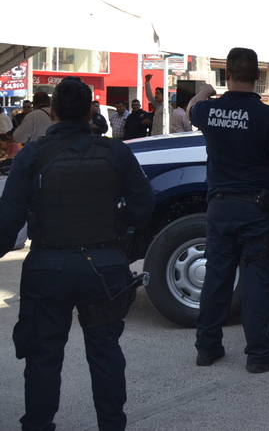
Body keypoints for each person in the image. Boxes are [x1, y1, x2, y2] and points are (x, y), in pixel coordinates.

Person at [0, 76, 155, 431]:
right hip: (103, 266)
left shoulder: (32, 155)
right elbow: (144, 206)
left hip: (47, 266)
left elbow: (8, 219)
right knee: (105, 352)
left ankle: (38, 425)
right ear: (90, 113)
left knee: (43, 355)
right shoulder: (116, 152)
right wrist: (117, 235)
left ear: (52, 113)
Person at [188, 47, 269, 373]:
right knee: (258, 278)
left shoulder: (208, 111)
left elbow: (191, 107)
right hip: (256, 211)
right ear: (257, 76)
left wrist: (206, 90)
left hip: (219, 208)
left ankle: (207, 347)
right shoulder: (268, 117)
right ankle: (259, 353)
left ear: (227, 74)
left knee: (217, 276)